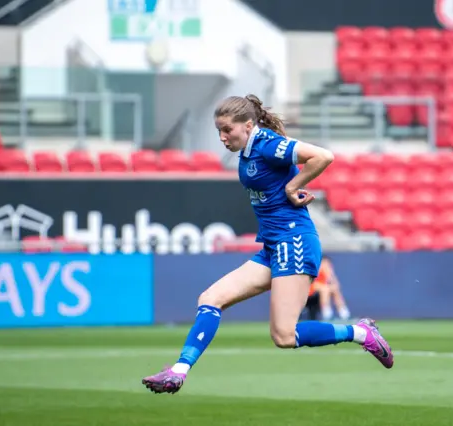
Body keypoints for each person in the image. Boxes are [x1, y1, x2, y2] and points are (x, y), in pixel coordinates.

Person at [142, 94, 393, 395]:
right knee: (210, 298)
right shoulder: (249, 150)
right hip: (274, 247)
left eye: (227, 130)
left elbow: (323, 156)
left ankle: (359, 332)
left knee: (285, 336)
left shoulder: (267, 145)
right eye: (218, 131)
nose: (222, 137)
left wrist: (293, 186)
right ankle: (178, 372)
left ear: (248, 125)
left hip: (294, 242)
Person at [307, 255, 352, 321]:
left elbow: (337, 284)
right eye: (324, 263)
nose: (326, 264)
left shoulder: (329, 270)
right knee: (325, 289)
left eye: (328, 263)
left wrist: (329, 274)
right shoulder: (315, 269)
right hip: (311, 290)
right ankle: (326, 313)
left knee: (334, 289)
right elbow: (312, 282)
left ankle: (344, 313)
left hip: (323, 288)